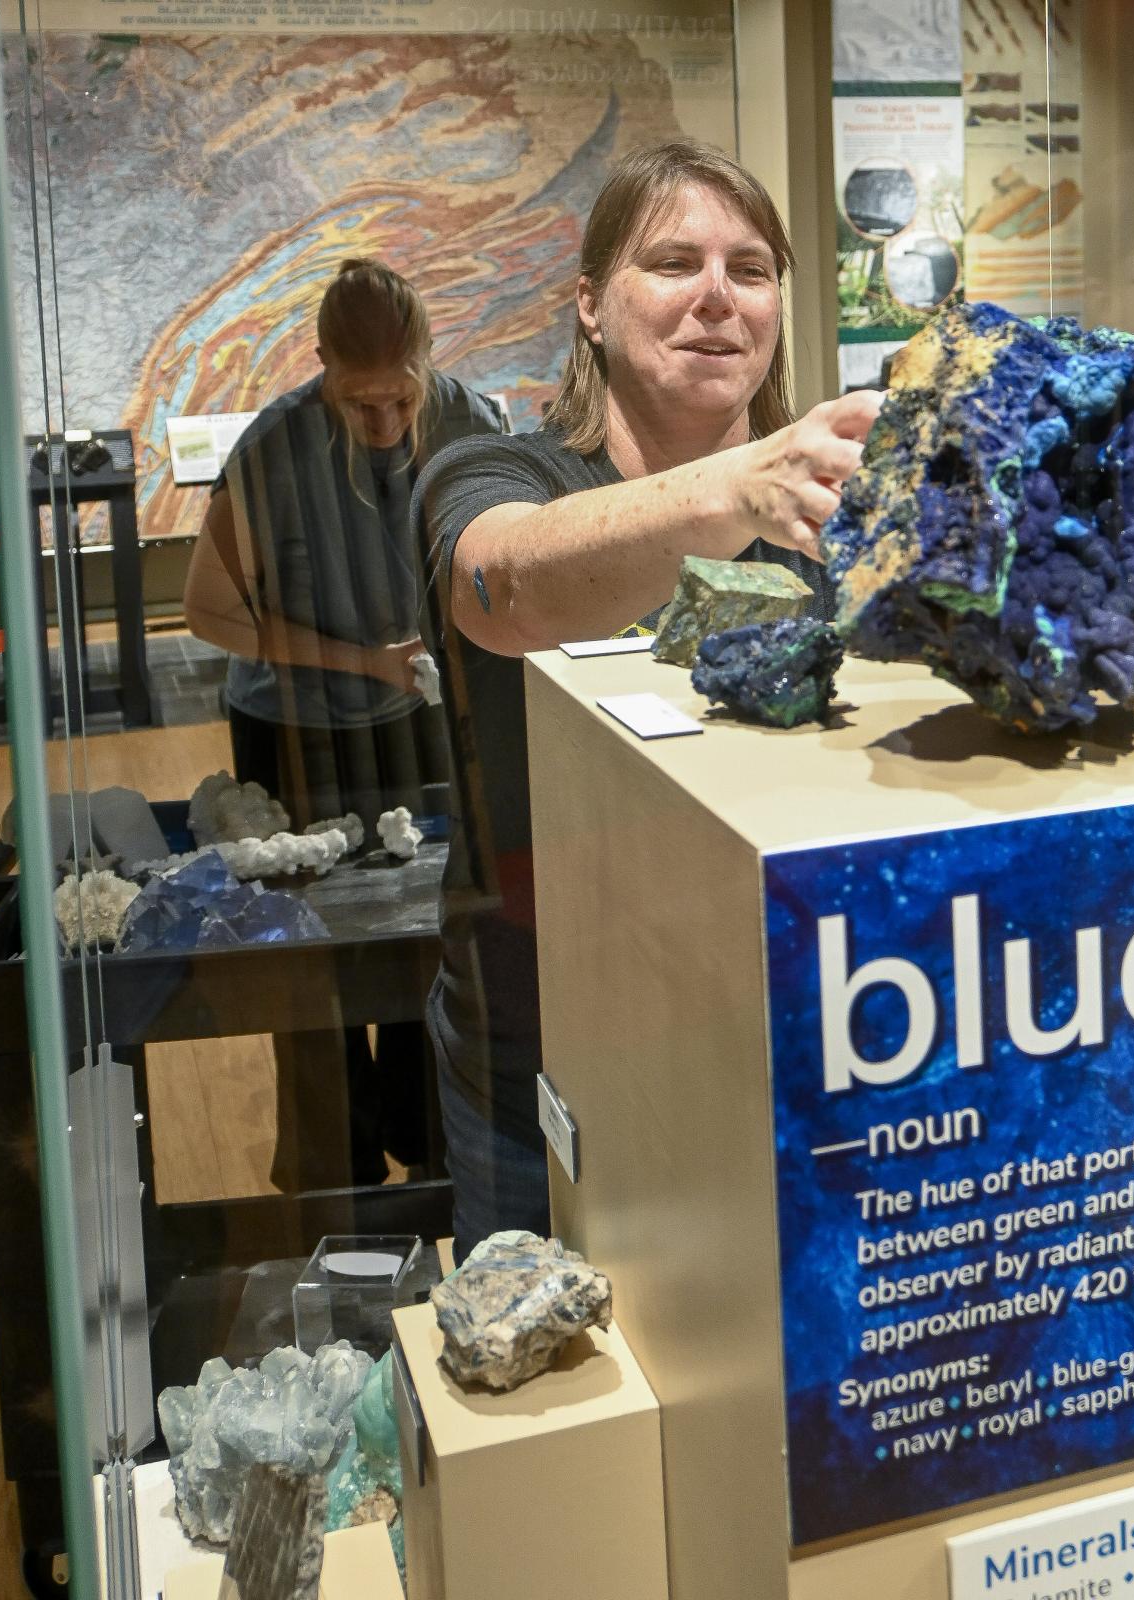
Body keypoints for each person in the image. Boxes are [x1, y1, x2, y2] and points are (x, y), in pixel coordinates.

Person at [413, 140, 882, 1254]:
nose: (716, 295)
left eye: (751, 268)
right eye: (673, 262)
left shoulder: (839, 513)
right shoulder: (494, 472)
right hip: (546, 1059)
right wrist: (733, 490)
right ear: (588, 304)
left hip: (788, 1049)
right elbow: (506, 586)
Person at [183, 257, 505, 1189]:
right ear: (319, 362)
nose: (385, 425)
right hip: (292, 723)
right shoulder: (274, 448)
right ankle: (334, 1181)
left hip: (418, 709)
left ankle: (432, 1152)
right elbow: (210, 612)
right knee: (308, 962)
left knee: (423, 939)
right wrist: (358, 659)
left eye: (401, 400)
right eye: (360, 402)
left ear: (428, 361)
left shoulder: (472, 423)